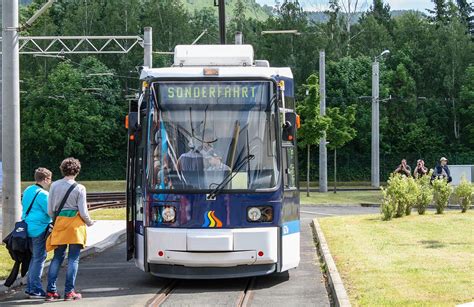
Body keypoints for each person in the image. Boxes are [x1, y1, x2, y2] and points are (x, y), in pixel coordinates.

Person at [45, 158, 94, 301]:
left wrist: (58, 218)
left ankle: (50, 292)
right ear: (77, 171)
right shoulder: (80, 188)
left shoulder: (54, 185)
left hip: (60, 224)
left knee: (57, 257)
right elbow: (83, 211)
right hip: (75, 227)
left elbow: (50, 210)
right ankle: (69, 292)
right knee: (73, 259)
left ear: (62, 170)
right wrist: (90, 222)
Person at [22, 168, 52, 299]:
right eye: (50, 179)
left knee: (33, 258)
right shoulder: (43, 194)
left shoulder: (28, 190)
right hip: (38, 229)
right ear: (45, 179)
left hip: (27, 228)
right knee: (38, 258)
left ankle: (30, 288)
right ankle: (35, 290)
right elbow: (50, 211)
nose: (50, 182)